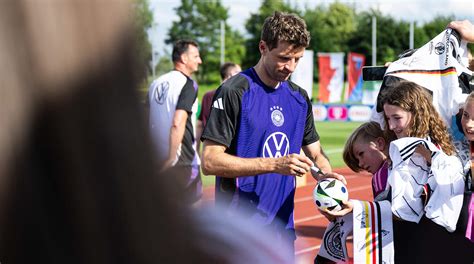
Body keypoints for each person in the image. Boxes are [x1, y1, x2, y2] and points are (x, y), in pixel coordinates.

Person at [200, 11, 344, 251]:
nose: (291, 67)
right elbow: (210, 161)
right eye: (284, 58)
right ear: (263, 47)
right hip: (238, 231)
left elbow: (316, 154)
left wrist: (325, 176)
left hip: (281, 229)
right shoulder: (234, 91)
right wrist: (275, 165)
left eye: (297, 59)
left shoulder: (299, 98)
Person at [148, 39, 203, 204]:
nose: (199, 60)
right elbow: (177, 123)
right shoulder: (188, 84)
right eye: (196, 56)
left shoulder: (155, 84)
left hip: (157, 160)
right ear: (184, 59)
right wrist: (171, 158)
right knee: (194, 218)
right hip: (182, 162)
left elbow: (146, 118)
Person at [196, 62, 242, 156]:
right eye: (238, 73)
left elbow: (200, 124)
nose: (242, 77)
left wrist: (197, 150)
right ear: (230, 75)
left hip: (211, 150)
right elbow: (200, 124)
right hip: (226, 152)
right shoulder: (235, 95)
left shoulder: (207, 95)